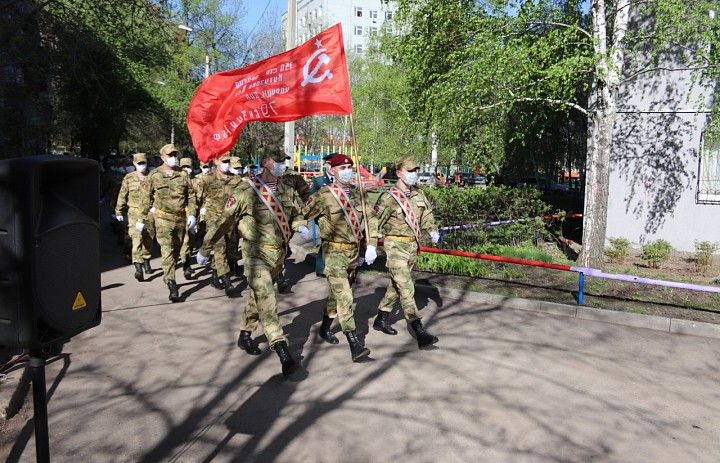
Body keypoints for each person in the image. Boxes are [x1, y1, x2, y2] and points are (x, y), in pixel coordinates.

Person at [197, 147, 311, 376]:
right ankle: (283, 351)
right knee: (268, 300)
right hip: (254, 255)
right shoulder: (245, 190)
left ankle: (245, 334)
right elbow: (222, 222)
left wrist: (300, 225)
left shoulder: (287, 190)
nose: (282, 166)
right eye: (278, 162)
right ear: (267, 162)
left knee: (257, 296)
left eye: (284, 162)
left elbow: (297, 213)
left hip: (278, 255)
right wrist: (205, 248)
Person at [303, 153, 380, 362]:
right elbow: (302, 214)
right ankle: (354, 342)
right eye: (342, 168)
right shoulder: (323, 196)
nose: (347, 171)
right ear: (332, 170)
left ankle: (325, 327)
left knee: (336, 296)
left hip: (354, 253)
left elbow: (372, 220)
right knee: (345, 296)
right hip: (334, 252)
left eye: (349, 167)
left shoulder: (359, 195)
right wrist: (301, 227)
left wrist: (372, 244)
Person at [373, 156, 441, 349]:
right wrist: (369, 245)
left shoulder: (418, 195)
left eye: (415, 171)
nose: (414, 174)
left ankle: (381, 318)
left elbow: (426, 214)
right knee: (407, 287)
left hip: (412, 247)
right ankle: (419, 330)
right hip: (395, 247)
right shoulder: (388, 197)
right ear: (399, 173)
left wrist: (432, 229)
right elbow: (374, 222)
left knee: (396, 286)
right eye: (410, 171)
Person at [138, 144, 197, 302]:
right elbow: (146, 198)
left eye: (175, 155)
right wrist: (142, 218)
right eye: (170, 155)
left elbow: (191, 195)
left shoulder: (183, 174)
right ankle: (171, 283)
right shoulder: (154, 175)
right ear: (163, 157)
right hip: (162, 218)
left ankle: (169, 273)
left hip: (180, 218)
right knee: (167, 250)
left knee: (177, 250)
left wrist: (192, 214)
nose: (173, 157)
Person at [195, 154, 236, 295]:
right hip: (213, 220)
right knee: (220, 246)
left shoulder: (235, 179)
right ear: (216, 161)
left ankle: (214, 275)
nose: (226, 164)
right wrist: (193, 216)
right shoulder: (207, 180)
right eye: (224, 161)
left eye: (228, 161)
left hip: (230, 220)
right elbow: (196, 200)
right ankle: (226, 280)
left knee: (226, 248)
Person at [114, 153, 155, 281]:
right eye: (140, 163)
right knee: (136, 239)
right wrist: (118, 211)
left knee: (148, 238)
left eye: (144, 163)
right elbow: (122, 194)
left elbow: (159, 193)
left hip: (149, 213)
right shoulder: (129, 178)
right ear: (134, 164)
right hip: (133, 212)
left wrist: (156, 207)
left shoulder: (152, 177)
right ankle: (138, 267)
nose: (142, 166)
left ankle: (146, 258)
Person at [308, 154, 335, 278]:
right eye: (330, 164)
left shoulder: (342, 180)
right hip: (324, 216)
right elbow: (310, 199)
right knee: (327, 239)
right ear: (326, 165)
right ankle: (321, 267)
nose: (331, 167)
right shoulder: (319, 181)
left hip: (339, 216)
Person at [179, 157, 198, 279]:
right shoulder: (177, 180)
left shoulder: (197, 181)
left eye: (188, 167)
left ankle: (187, 260)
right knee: (184, 240)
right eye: (183, 167)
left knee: (191, 240)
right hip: (181, 213)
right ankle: (186, 265)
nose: (186, 169)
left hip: (195, 213)